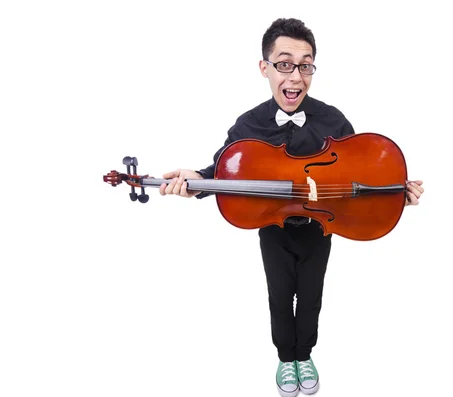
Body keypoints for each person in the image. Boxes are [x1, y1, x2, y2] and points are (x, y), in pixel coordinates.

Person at [159, 17, 424, 397]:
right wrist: (197, 182)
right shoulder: (248, 124)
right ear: (264, 67)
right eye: (284, 64)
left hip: (321, 226)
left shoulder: (332, 119)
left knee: (312, 293)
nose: (295, 76)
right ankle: (286, 359)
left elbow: (358, 170)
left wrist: (395, 191)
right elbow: (226, 168)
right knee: (280, 293)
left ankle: (305, 354)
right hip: (274, 225)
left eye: (305, 65)